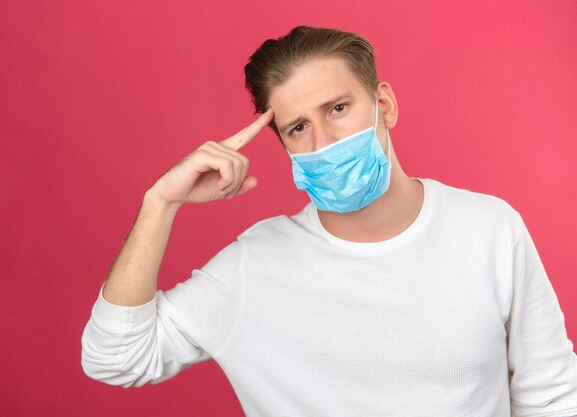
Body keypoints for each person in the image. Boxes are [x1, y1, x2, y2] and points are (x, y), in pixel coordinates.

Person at [81, 26, 577, 416]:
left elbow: (552, 399)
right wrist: (159, 202)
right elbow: (114, 358)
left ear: (383, 105)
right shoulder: (255, 266)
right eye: (299, 128)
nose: (324, 143)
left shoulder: (489, 229)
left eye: (338, 108)